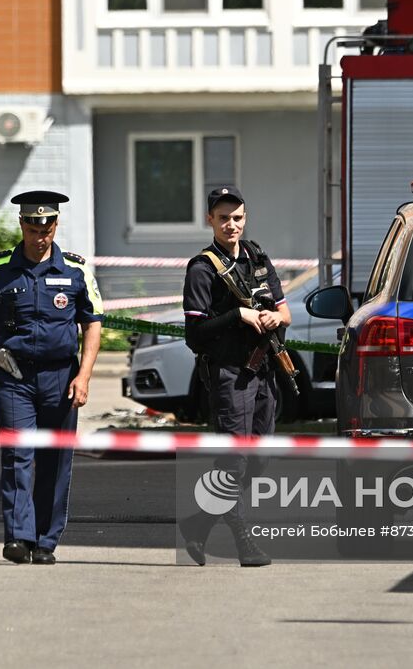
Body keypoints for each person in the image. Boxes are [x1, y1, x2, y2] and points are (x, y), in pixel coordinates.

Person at [0, 191, 103, 565]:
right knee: (17, 455)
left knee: (55, 460)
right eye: (31, 226)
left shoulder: (75, 270)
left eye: (46, 227)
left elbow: (92, 326)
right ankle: (19, 537)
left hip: (61, 377)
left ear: (55, 225)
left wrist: (84, 377)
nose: (39, 235)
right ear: (21, 225)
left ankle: (45, 540)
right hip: (13, 376)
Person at [178, 186, 290, 567]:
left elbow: (284, 311)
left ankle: (199, 523)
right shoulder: (202, 268)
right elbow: (194, 334)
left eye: (237, 217)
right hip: (228, 375)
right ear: (209, 219)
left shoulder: (257, 256)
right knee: (234, 460)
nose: (231, 225)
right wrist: (236, 316)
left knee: (259, 458)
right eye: (223, 217)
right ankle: (244, 542)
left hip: (263, 372)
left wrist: (276, 317)